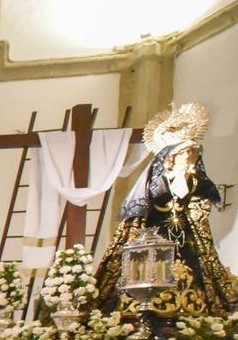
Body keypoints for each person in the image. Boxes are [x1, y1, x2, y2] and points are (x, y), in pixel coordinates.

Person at [94, 103, 236, 316]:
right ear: (171, 157)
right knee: (153, 269)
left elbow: (205, 194)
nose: (189, 157)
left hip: (184, 235)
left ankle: (193, 311)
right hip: (156, 234)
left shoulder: (193, 180)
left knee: (193, 267)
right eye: (185, 153)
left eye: (192, 152)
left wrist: (202, 199)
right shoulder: (157, 180)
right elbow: (151, 200)